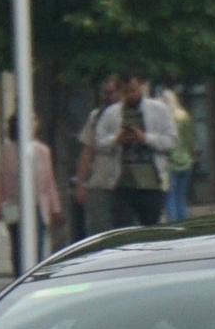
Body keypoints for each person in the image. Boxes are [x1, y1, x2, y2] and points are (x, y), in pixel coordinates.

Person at [76, 73, 177, 230]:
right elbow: (97, 143)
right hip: (121, 185)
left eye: (133, 90)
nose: (130, 95)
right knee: (122, 228)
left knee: (151, 229)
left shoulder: (158, 110)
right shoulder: (109, 114)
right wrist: (117, 140)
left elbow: (171, 141)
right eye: (126, 91)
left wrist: (145, 138)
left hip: (151, 184)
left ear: (141, 87)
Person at [0, 113, 63, 269]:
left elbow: (49, 182)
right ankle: (19, 276)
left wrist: (55, 208)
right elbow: (1, 180)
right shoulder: (8, 150)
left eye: (34, 120)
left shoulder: (42, 150)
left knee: (36, 246)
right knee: (18, 248)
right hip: (15, 206)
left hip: (37, 205)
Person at [162, 86, 194, 222]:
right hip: (185, 161)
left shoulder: (165, 118)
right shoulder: (184, 116)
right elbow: (189, 139)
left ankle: (173, 225)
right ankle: (183, 223)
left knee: (170, 197)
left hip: (170, 164)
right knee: (180, 198)